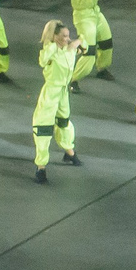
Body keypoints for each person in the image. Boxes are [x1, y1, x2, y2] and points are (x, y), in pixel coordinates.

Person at [31, 19, 89, 183]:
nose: (67, 39)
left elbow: (84, 46)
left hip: (63, 92)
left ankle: (69, 151)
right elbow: (43, 60)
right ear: (55, 37)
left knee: (64, 122)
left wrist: (77, 42)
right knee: (43, 128)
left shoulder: (69, 49)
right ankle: (41, 166)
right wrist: (66, 46)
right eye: (63, 36)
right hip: (51, 92)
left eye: (68, 36)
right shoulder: (51, 50)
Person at [69, 0, 119, 82]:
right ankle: (73, 79)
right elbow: (87, 1)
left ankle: (102, 69)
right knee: (89, 51)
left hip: (95, 14)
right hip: (83, 17)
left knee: (106, 42)